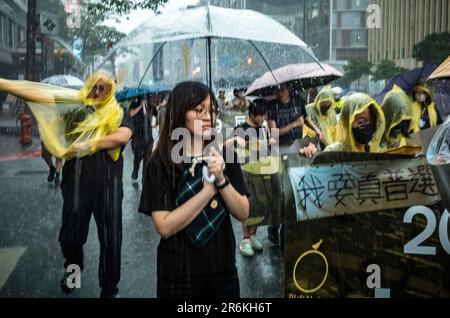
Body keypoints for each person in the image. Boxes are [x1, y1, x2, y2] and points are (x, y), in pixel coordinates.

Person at [0, 72, 133, 298]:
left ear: (110, 90)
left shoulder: (117, 112)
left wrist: (90, 144)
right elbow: (39, 96)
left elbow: (123, 136)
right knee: (71, 238)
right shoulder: (75, 108)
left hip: (108, 187)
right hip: (76, 185)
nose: (98, 92)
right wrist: (5, 84)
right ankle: (74, 272)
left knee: (111, 239)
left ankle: (110, 288)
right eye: (95, 87)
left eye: (104, 88)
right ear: (88, 87)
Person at [139, 81, 249, 298]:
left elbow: (243, 212)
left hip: (223, 271)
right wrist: (207, 192)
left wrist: (221, 180)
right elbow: (164, 226)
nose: (208, 116)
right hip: (177, 276)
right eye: (199, 110)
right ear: (180, 112)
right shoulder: (161, 162)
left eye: (211, 110)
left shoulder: (223, 155)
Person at [267, 84, 323, 245]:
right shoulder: (272, 106)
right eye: (276, 90)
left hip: (297, 151)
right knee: (279, 191)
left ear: (289, 90)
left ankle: (287, 231)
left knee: (294, 190)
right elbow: (274, 133)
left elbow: (305, 119)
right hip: (278, 152)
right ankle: (273, 228)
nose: (279, 93)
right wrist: (293, 124)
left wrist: (317, 130)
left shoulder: (298, 101)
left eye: (281, 89)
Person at [231, 98, 269, 257]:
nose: (262, 118)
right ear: (251, 113)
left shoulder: (262, 128)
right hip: (245, 173)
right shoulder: (241, 129)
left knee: (260, 204)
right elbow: (231, 149)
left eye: (264, 115)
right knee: (248, 205)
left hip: (261, 170)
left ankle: (253, 234)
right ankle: (245, 239)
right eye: (259, 115)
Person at [380, 85, 414, 150]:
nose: (400, 123)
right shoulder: (378, 137)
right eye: (397, 119)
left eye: (404, 119)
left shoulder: (410, 131)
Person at [129, 94, 154, 181]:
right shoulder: (134, 104)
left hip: (149, 138)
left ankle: (144, 178)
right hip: (138, 138)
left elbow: (155, 113)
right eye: (143, 97)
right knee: (137, 158)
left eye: (146, 96)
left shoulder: (149, 105)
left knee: (147, 160)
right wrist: (140, 105)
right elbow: (131, 113)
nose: (145, 98)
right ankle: (135, 173)